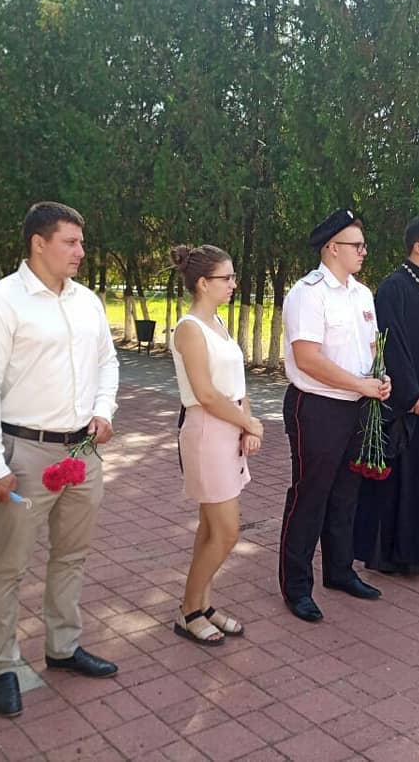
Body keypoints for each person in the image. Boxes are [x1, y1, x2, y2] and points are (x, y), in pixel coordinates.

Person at [0, 201, 119, 718]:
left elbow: (107, 361)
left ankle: (63, 646)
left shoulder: (86, 301)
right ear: (38, 243)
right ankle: (2, 667)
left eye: (81, 242)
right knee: (9, 564)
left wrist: (103, 410)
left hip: (82, 449)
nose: (81, 251)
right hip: (25, 452)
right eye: (70, 242)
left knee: (72, 554)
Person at [280, 209, 391, 622]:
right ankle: (296, 586)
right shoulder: (308, 293)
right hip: (318, 406)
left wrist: (380, 377)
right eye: (356, 245)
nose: (363, 251)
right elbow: (307, 359)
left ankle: (340, 570)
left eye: (363, 244)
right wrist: (361, 384)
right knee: (310, 495)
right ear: (332, 248)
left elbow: (371, 349)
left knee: (347, 493)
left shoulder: (361, 294)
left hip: (358, 404)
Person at [354, 217, 419, 574]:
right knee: (409, 475)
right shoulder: (393, 287)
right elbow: (392, 343)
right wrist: (410, 391)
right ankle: (400, 553)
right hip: (413, 400)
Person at [168, 244, 263, 645]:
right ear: (203, 283)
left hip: (229, 427)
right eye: (226, 278)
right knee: (226, 532)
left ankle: (203, 605)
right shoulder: (189, 328)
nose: (233, 284)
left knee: (211, 528)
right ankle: (189, 609)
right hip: (207, 431)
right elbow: (205, 393)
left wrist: (247, 424)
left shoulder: (218, 322)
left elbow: (236, 385)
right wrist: (248, 422)